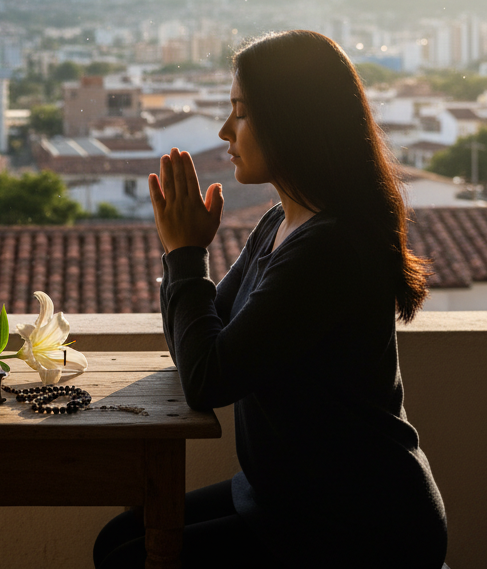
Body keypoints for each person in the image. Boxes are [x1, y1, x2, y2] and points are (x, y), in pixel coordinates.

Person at [93, 30, 447, 569]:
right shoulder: (283, 221)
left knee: (128, 557)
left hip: (355, 521)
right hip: (286, 495)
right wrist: (181, 256)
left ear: (292, 121)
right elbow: (205, 338)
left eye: (241, 112)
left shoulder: (328, 247)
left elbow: (209, 378)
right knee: (118, 540)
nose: (224, 131)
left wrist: (185, 253)